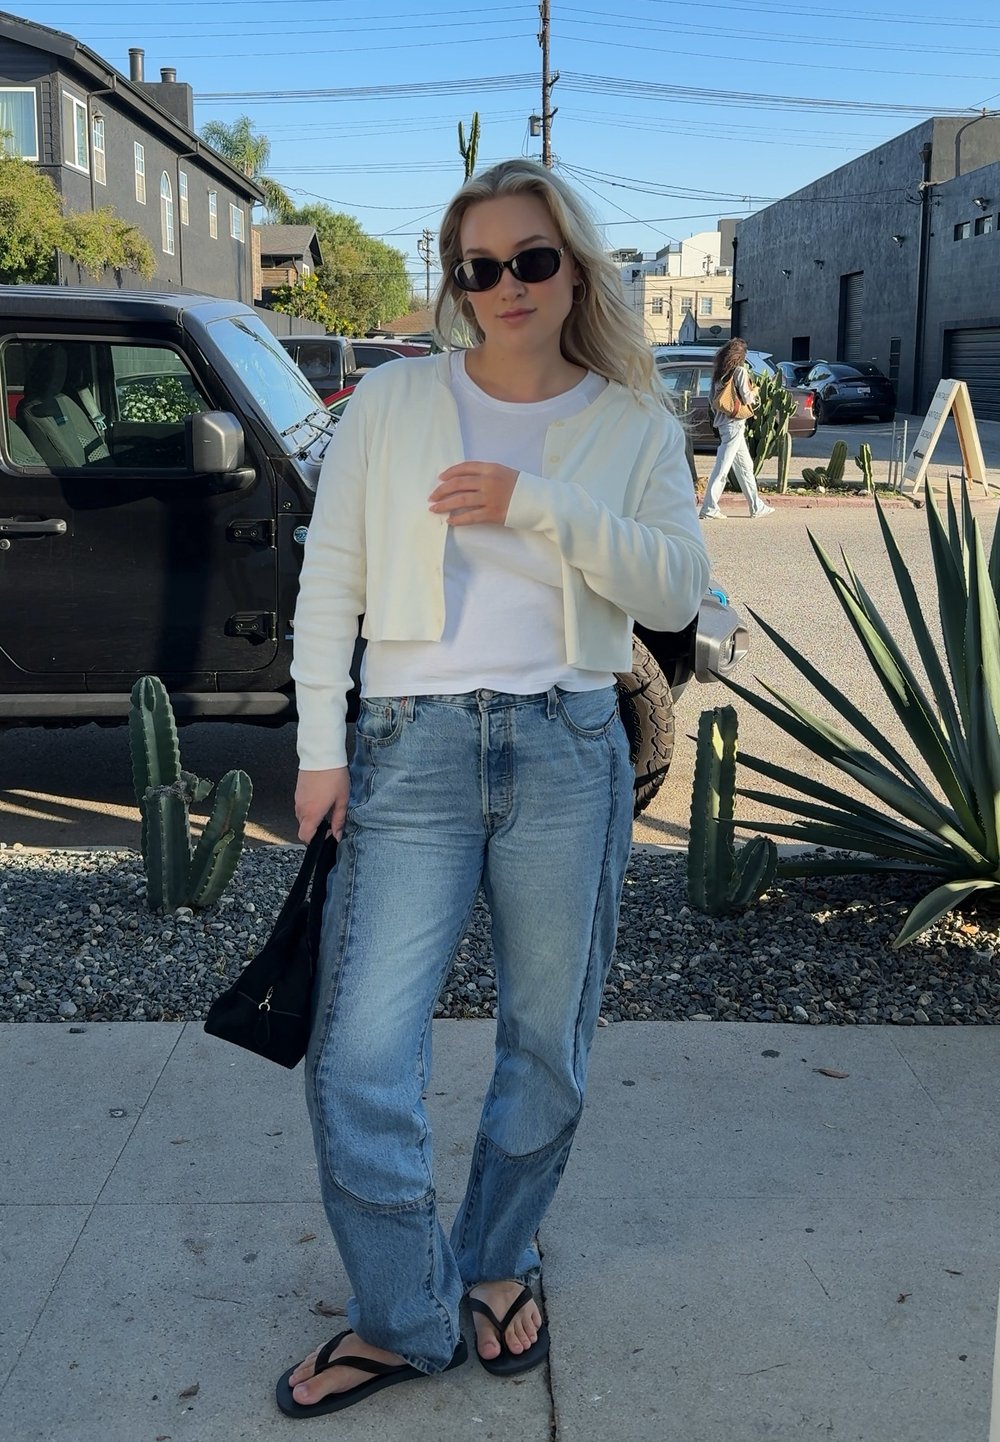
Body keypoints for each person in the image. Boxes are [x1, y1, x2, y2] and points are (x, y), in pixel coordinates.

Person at [278, 157, 710, 1419]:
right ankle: (404, 1312)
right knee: (359, 1052)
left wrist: (538, 505)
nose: (505, 285)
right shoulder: (396, 401)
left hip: (569, 748)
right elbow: (330, 584)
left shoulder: (630, 421)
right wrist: (320, 748)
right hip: (409, 750)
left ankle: (501, 1259)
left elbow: (678, 593)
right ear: (455, 282)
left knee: (546, 1042)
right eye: (478, 266)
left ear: (573, 265)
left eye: (530, 258)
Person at [698, 338, 775, 519]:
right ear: (740, 356)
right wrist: (755, 392)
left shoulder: (719, 374)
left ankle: (756, 506)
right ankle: (709, 507)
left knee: (746, 466)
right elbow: (748, 399)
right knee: (722, 467)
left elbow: (712, 400)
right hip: (735, 425)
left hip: (725, 424)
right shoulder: (740, 371)